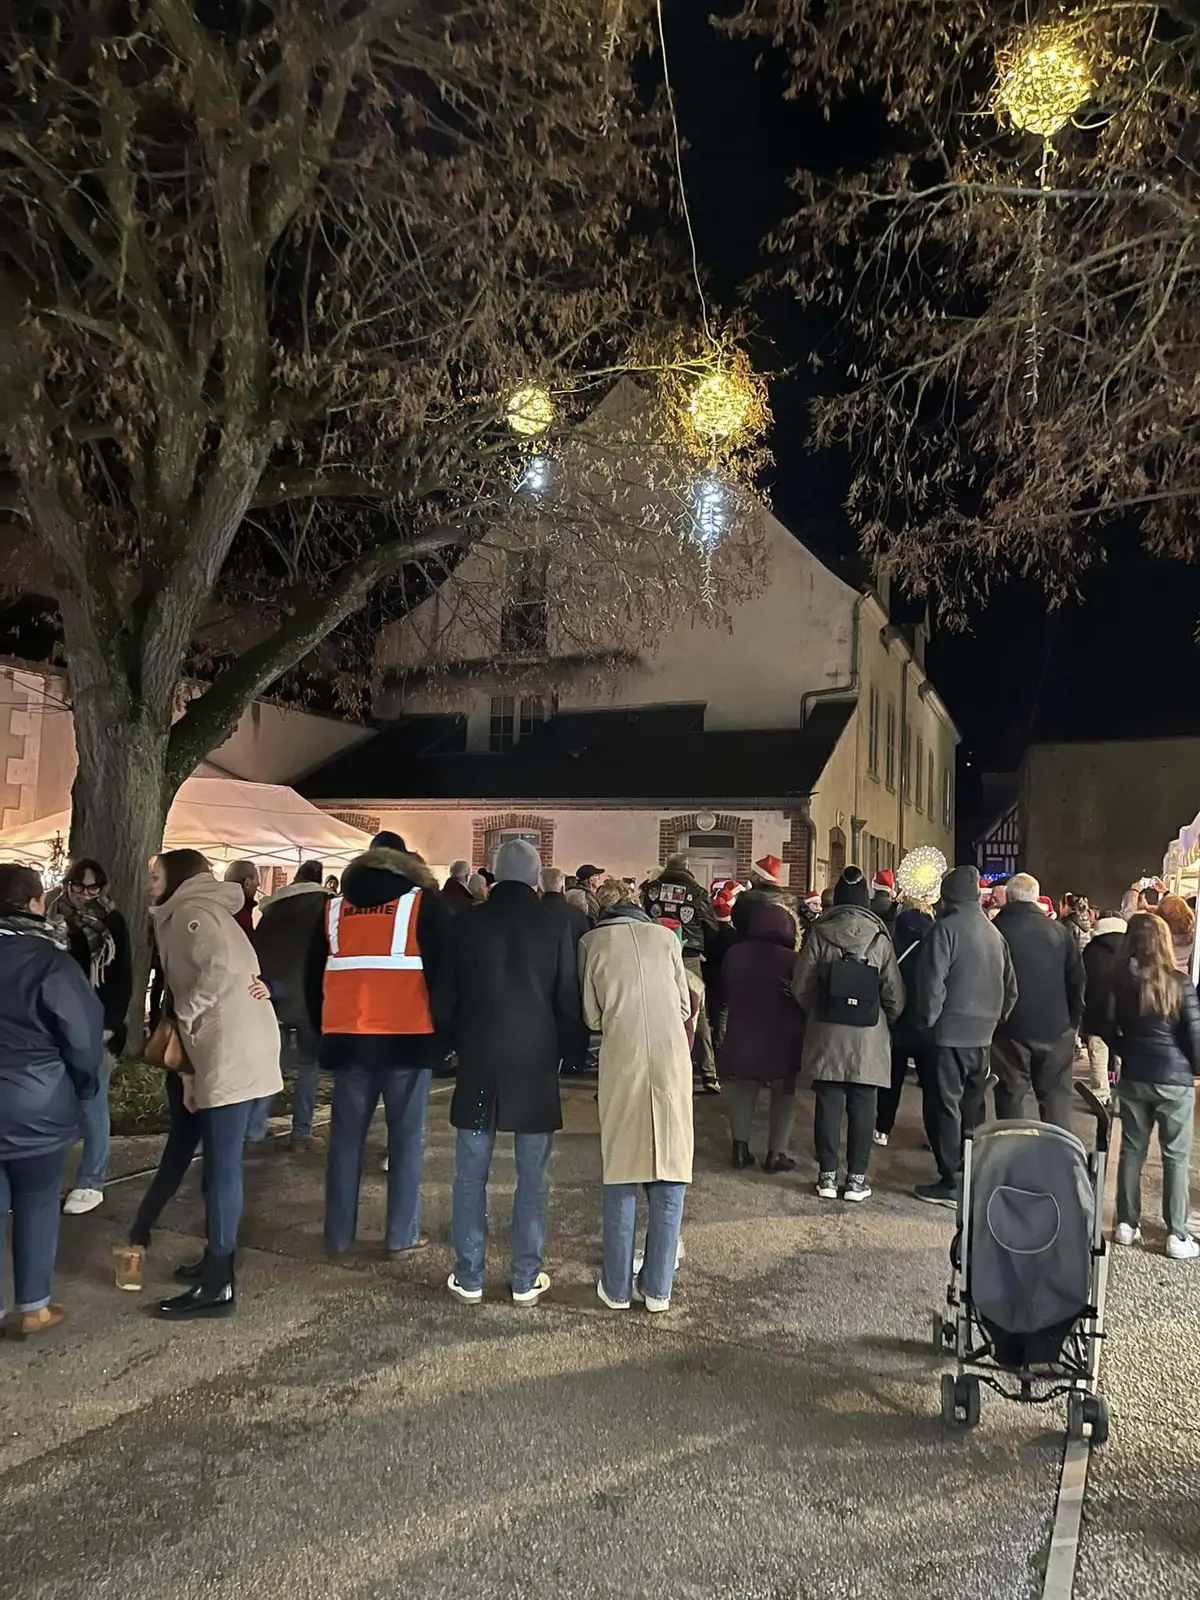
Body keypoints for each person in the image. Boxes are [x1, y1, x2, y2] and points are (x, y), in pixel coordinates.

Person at [116, 851, 282, 1317]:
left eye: (155, 875)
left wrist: (184, 1015)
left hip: (230, 1050)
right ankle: (215, 1263)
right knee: (216, 1165)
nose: (150, 883)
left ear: (178, 878)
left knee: (223, 1168)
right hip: (224, 1049)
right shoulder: (194, 910)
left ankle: (218, 1284)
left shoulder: (190, 913)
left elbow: (220, 971)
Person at [444, 840, 581, 1305]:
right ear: (537, 876)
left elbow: (448, 997)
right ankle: (525, 1277)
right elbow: (567, 998)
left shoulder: (466, 922)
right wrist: (569, 1053)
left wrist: (453, 1044)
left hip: (480, 1061)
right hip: (534, 1064)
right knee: (532, 1176)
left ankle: (470, 1275)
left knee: (469, 1175)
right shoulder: (554, 924)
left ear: (496, 875)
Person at [307, 840, 451, 1260]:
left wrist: (323, 1034)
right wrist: (443, 1039)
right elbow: (445, 979)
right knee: (406, 1143)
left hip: (349, 1042)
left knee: (345, 1143)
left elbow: (312, 977)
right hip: (409, 1041)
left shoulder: (333, 909)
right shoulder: (422, 905)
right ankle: (400, 1234)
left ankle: (337, 1234)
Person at [580, 878, 693, 1312]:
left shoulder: (591, 943)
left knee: (623, 1169)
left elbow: (592, 1015)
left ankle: (615, 1286)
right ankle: (659, 1288)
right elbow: (684, 1006)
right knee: (669, 1165)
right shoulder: (666, 937)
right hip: (670, 1057)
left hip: (623, 1058)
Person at [0, 864, 102, 1336]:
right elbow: (82, 1038)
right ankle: (33, 1308)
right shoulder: (50, 962)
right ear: (35, 904)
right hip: (37, 1103)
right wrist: (83, 1086)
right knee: (38, 1199)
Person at [790, 866, 904, 1203]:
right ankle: (856, 1180)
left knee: (827, 1103)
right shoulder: (880, 939)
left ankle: (826, 1176)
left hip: (827, 1031)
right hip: (869, 1033)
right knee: (864, 1104)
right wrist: (886, 1020)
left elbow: (801, 985)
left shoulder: (820, 934)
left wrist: (818, 1012)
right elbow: (894, 993)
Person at [909, 864, 1017, 1206]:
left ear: (949, 895)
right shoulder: (994, 933)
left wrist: (927, 1021)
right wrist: (995, 1018)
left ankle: (951, 1181)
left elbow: (931, 984)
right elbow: (1011, 988)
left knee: (946, 1106)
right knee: (973, 1106)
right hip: (982, 1037)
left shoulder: (945, 931)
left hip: (949, 1034)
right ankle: (972, 1172)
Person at [1107, 913, 1200, 1260]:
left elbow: (1105, 1025)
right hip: (1174, 1081)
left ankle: (1126, 1225)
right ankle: (1176, 1235)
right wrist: (1193, 1068)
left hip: (1134, 1078)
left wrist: (1126, 1050)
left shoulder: (1121, 984)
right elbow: (1194, 1034)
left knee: (1132, 1151)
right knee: (1175, 1157)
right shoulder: (1180, 982)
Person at [55, 858, 133, 1216]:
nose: (85, 894)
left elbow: (122, 978)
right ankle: (53, 1176)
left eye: (93, 888)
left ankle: (92, 1181)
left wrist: (110, 1024)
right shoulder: (53, 917)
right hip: (58, 1024)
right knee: (58, 1103)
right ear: (68, 883)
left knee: (92, 1102)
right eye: (78, 886)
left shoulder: (111, 922)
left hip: (97, 1023)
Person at [990, 872, 1085, 1130]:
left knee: (1010, 1094)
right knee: (1055, 1098)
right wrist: (1073, 1021)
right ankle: (1059, 1157)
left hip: (1009, 1028)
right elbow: (1077, 979)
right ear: (1035, 898)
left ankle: (1015, 1154)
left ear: (1008, 898)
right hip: (1055, 1027)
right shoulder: (1059, 931)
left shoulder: (996, 931)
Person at [250, 860, 330, 1150]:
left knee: (272, 1064)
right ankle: (301, 1132)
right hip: (310, 996)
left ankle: (254, 1129)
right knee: (309, 1066)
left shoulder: (273, 910)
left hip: (271, 993)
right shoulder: (326, 907)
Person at [720, 900, 804, 1173]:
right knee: (784, 1093)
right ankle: (775, 1153)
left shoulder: (735, 954)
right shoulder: (792, 959)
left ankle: (740, 1148)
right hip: (783, 1033)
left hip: (743, 1029)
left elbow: (724, 988)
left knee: (744, 1089)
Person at [642, 854, 721, 1093]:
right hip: (688, 956)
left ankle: (656, 1070)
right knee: (697, 1012)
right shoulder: (696, 892)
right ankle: (708, 1073)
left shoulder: (652, 889)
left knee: (658, 1009)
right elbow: (711, 925)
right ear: (688, 869)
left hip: (656, 954)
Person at [874, 888, 936, 1147]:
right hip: (926, 1019)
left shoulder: (892, 937)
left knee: (892, 1078)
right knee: (931, 1084)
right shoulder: (936, 939)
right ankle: (934, 1134)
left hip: (897, 1017)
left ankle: (882, 1128)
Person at [1080, 911, 1126, 1105]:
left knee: (1098, 1052)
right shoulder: (1131, 946)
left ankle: (1100, 1095)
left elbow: (1082, 980)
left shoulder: (1091, 949)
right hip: (1125, 1008)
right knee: (1124, 1052)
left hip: (1096, 1007)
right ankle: (1123, 1094)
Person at [540, 867, 592, 944]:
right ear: (563, 888)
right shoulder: (577, 914)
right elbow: (585, 942)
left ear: (540, 888)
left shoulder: (530, 912)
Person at [1156, 893, 1196, 977]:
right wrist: (1166, 892)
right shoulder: (1192, 935)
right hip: (1182, 977)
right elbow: (1175, 912)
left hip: (1160, 977)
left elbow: (1132, 918)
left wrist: (1134, 891)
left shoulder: (1157, 935)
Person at [223, 860, 259, 938]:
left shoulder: (216, 904)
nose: (258, 884)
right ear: (247, 883)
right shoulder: (241, 914)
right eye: (256, 879)